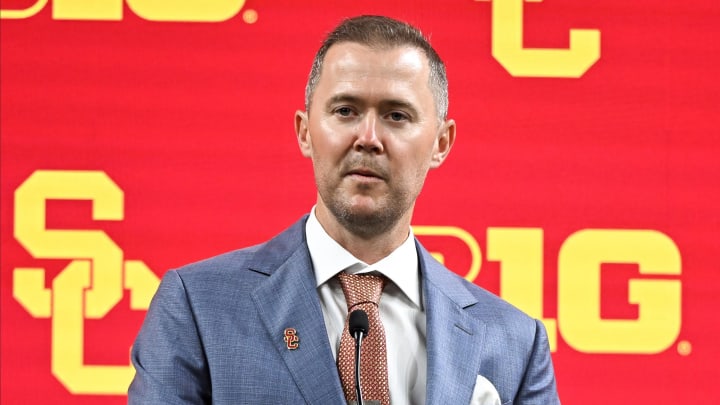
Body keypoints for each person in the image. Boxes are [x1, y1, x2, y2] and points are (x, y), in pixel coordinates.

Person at [128, 15, 560, 405]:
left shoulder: (514, 345)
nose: (368, 137)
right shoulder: (199, 307)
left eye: (396, 115)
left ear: (441, 144)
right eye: (346, 111)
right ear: (305, 132)